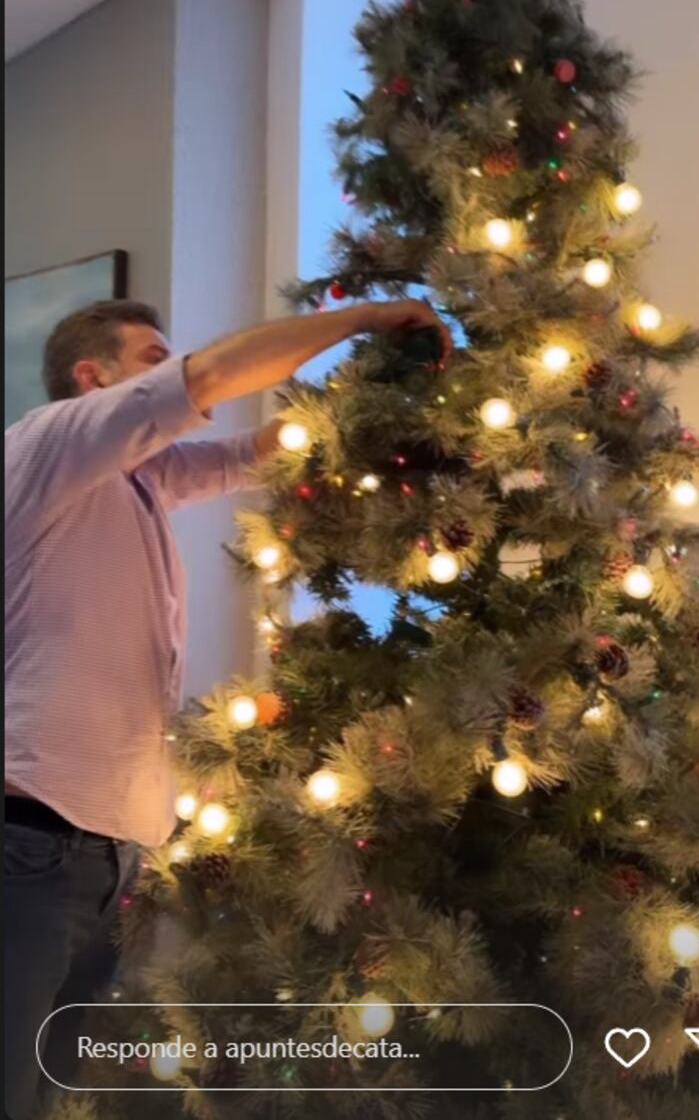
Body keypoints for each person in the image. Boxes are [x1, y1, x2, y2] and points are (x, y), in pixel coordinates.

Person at [4, 295, 452, 1119]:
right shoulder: (48, 445)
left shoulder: (138, 481)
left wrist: (371, 399)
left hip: (106, 856)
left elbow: (260, 452)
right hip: (27, 845)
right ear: (92, 379)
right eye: (152, 359)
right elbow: (210, 377)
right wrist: (363, 319)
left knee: (47, 1095)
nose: (171, 376)